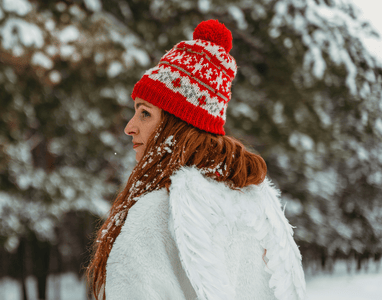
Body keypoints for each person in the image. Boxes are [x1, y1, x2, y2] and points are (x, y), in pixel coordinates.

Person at [86, 20, 306, 300]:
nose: (129, 127)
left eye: (145, 113)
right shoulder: (253, 209)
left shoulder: (156, 213)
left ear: (177, 124)